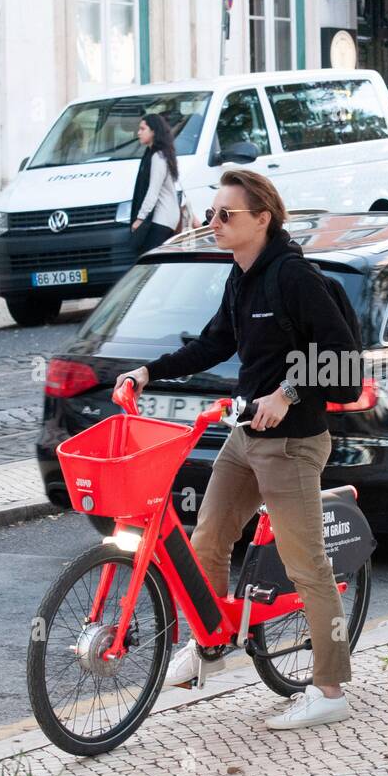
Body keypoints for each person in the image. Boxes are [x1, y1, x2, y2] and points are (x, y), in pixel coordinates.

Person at [114, 169, 356, 731]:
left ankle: (329, 689)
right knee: (209, 539)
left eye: (226, 215)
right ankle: (211, 645)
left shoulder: (292, 277)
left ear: (262, 219)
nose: (213, 223)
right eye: (211, 214)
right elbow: (214, 343)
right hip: (246, 437)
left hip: (293, 444)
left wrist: (287, 393)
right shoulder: (240, 276)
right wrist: (151, 371)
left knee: (306, 566)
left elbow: (341, 354)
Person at [128, 112, 181, 255]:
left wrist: (140, 218)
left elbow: (153, 191)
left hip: (162, 218)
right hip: (165, 218)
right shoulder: (156, 154)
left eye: (142, 129)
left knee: (150, 261)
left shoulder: (158, 156)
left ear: (153, 131)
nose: (138, 133)